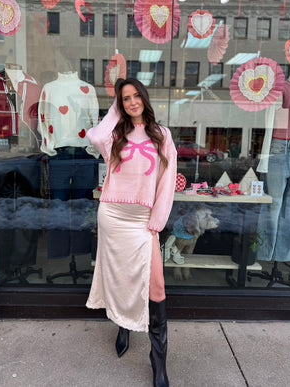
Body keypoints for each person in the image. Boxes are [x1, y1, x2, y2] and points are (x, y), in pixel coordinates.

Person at [86, 78, 177, 387]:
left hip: (142, 221)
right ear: (120, 104)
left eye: (136, 96)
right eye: (126, 99)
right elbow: (93, 135)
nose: (132, 102)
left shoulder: (162, 135)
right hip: (112, 214)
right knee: (121, 277)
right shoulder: (114, 134)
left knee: (158, 289)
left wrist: (157, 222)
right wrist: (115, 107)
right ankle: (123, 325)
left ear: (145, 98)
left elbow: (167, 182)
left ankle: (158, 360)